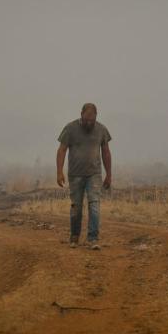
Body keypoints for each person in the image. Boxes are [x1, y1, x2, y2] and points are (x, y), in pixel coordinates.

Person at [56, 103, 112, 250]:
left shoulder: (101, 130)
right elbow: (62, 150)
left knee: (94, 204)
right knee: (76, 207)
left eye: (91, 120)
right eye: (86, 119)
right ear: (81, 114)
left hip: (94, 174)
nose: (89, 123)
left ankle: (92, 238)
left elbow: (106, 152)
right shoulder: (70, 129)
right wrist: (59, 171)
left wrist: (109, 174)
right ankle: (74, 237)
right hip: (75, 175)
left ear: (96, 117)